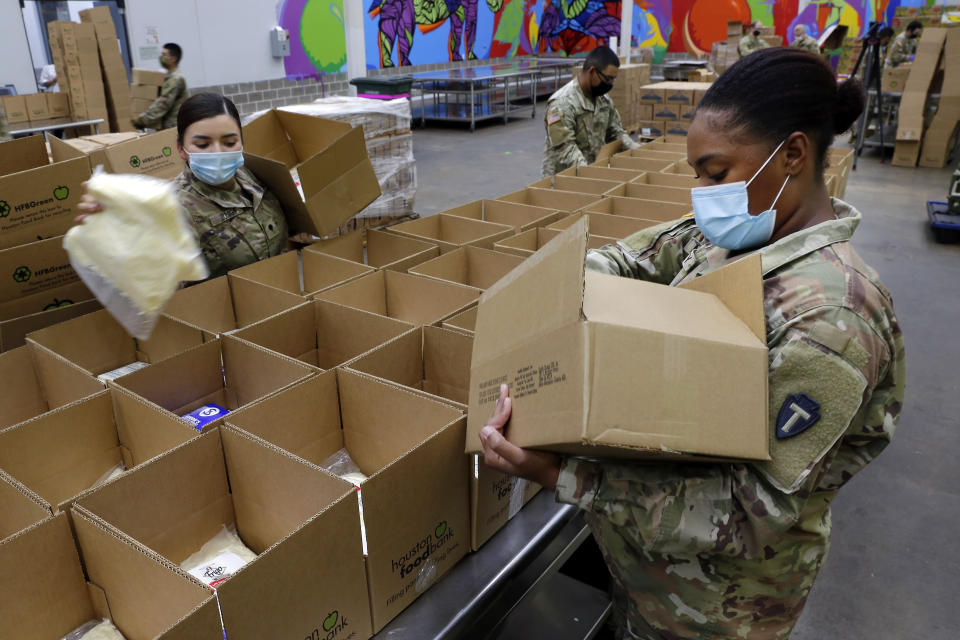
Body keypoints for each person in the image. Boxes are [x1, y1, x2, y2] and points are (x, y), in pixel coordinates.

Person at [480, 47, 904, 639]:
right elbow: (633, 256)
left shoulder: (830, 318)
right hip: (650, 576)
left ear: (792, 154)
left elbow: (753, 512)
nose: (702, 194)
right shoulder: (738, 235)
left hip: (718, 608)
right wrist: (565, 293)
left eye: (716, 172)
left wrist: (566, 476)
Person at [80, 93, 289, 279]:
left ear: (242, 143)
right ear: (181, 149)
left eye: (229, 142)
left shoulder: (254, 177)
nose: (217, 151)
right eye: (202, 144)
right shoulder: (173, 206)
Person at [541, 45, 640, 177]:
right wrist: (589, 174)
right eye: (608, 79)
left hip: (589, 174)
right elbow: (565, 148)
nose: (611, 84)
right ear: (592, 72)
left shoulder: (603, 100)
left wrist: (638, 151)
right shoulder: (561, 103)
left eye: (613, 79)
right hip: (562, 179)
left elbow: (615, 133)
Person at [133, 42, 188, 130]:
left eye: (164, 55)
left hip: (173, 127)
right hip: (169, 126)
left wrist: (142, 120)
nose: (161, 57)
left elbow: (163, 103)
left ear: (173, 59)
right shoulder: (167, 76)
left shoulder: (176, 79)